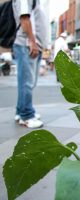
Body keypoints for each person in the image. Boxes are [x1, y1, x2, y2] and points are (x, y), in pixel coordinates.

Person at [12, 0, 48, 128]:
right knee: (27, 82)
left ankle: (20, 111)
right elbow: (24, 18)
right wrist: (32, 42)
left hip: (30, 45)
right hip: (26, 44)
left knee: (27, 82)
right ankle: (26, 116)